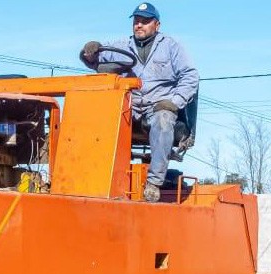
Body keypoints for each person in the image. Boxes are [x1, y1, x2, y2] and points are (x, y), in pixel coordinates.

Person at [80, 2, 199, 203]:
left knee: (163, 119)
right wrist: (89, 52)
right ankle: (91, 175)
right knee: (95, 115)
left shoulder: (171, 47)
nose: (139, 25)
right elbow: (96, 58)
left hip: (158, 106)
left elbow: (191, 76)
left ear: (157, 25)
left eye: (145, 22)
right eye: (136, 21)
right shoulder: (121, 46)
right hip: (130, 107)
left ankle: (154, 183)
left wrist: (174, 102)